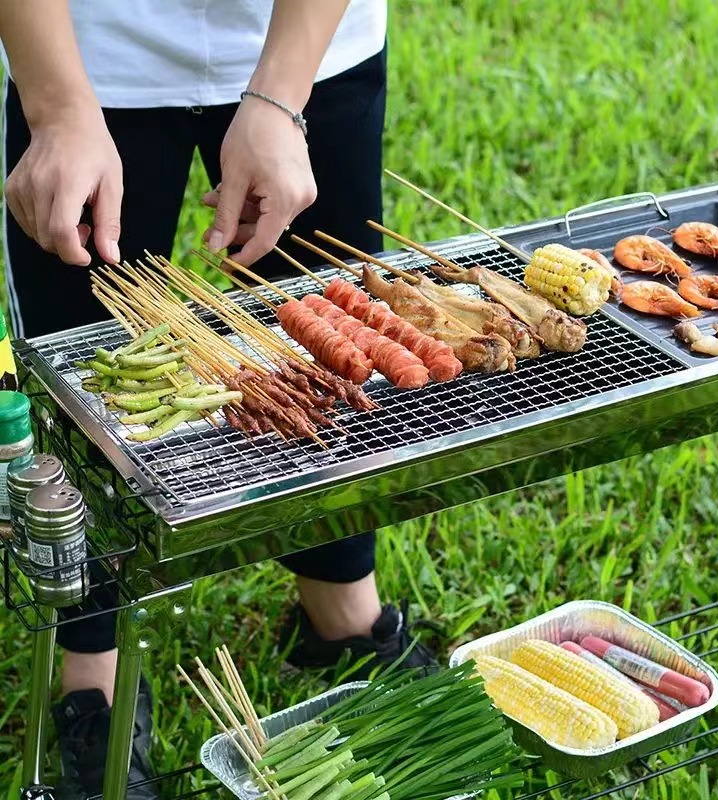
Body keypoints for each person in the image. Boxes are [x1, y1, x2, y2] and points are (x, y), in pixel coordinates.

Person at [0, 2, 437, 798]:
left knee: (331, 361)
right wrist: (57, 108)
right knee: (86, 385)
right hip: (91, 53)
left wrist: (278, 97)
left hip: (315, 46)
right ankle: (91, 676)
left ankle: (340, 610)